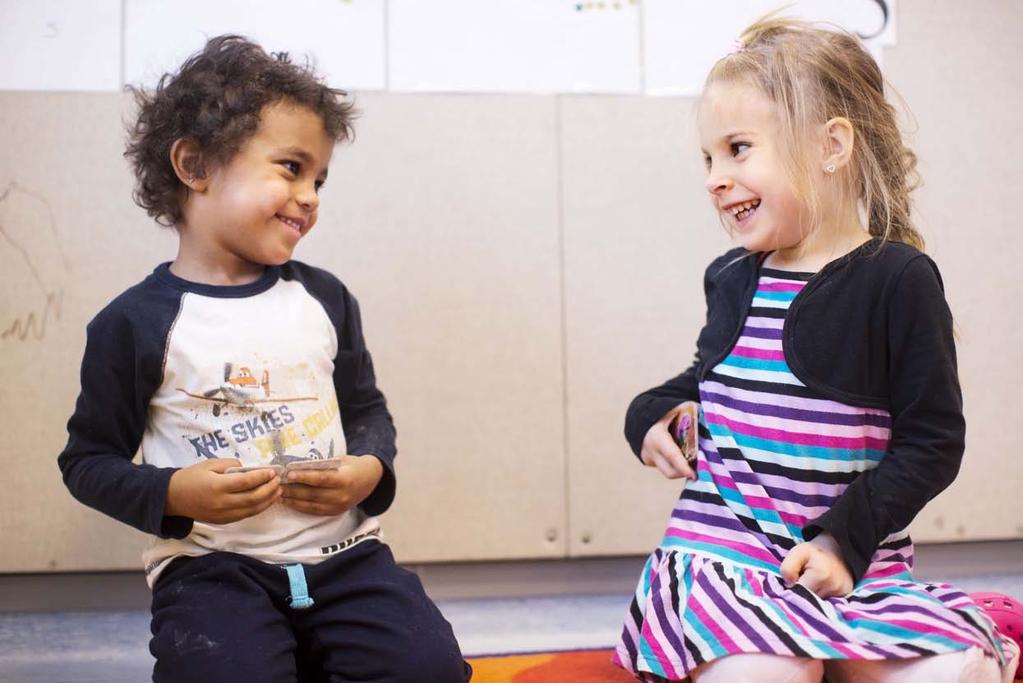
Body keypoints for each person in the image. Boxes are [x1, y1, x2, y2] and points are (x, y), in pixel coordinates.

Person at [613, 17, 1020, 683]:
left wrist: (839, 543)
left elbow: (931, 442)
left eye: (738, 149)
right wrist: (654, 419)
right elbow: (699, 383)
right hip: (730, 562)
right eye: (708, 158)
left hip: (854, 564)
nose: (715, 178)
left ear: (831, 145)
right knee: (771, 677)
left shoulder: (897, 279)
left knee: (951, 673)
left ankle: (953, 630)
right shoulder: (731, 278)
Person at [57, 35, 470, 683]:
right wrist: (172, 492)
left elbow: (365, 410)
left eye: (319, 178)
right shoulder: (132, 323)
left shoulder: (323, 297)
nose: (309, 195)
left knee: (428, 667)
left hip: (345, 555)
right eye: (289, 166)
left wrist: (367, 469)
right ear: (195, 165)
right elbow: (87, 462)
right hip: (214, 569)